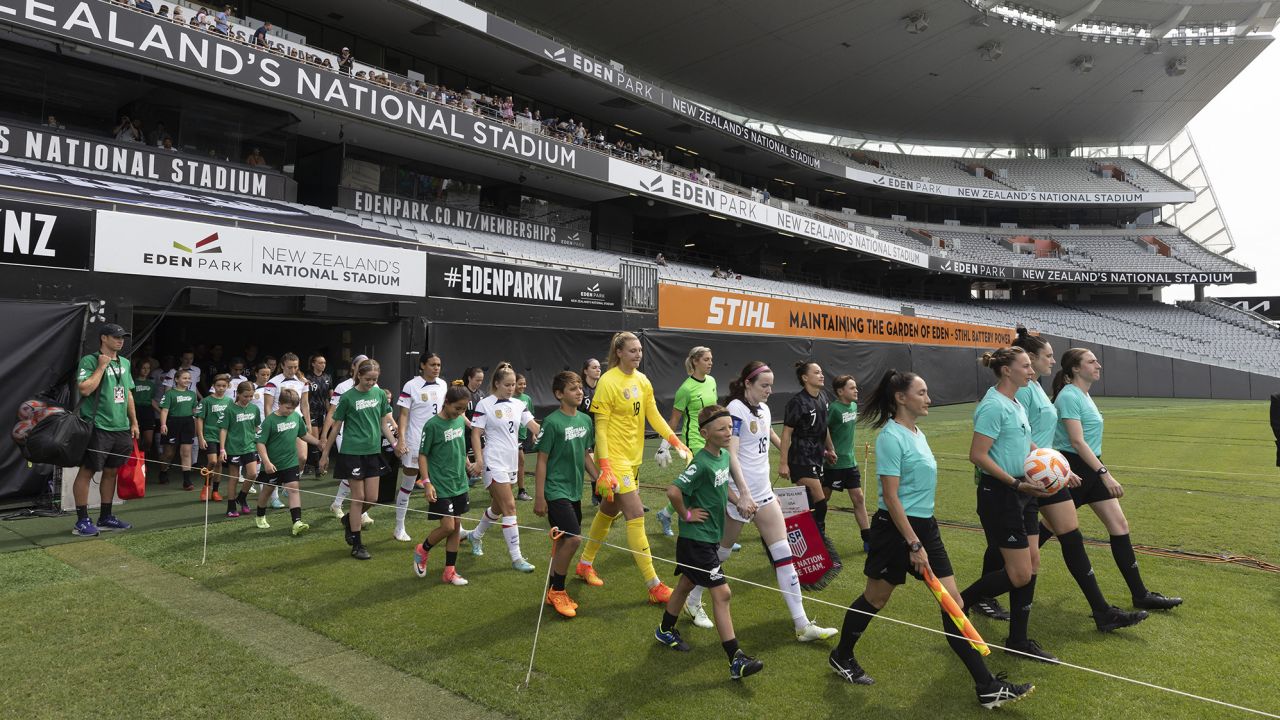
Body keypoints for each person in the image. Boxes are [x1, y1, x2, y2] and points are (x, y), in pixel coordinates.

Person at [829, 370, 1034, 709]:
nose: (928, 398)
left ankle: (986, 686)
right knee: (876, 598)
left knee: (953, 604)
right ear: (901, 397)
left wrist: (922, 538)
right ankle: (842, 655)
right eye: (921, 392)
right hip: (896, 532)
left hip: (926, 527)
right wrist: (913, 544)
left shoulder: (917, 432)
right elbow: (891, 498)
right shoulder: (890, 437)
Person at [973, 332, 1150, 633]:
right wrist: (1048, 467)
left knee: (1054, 539)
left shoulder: (1034, 388)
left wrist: (1059, 468)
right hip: (1027, 475)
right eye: (1047, 357)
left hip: (1043, 472)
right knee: (1035, 544)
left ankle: (1101, 612)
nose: (1052, 361)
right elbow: (1012, 437)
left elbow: (1029, 435)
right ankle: (977, 598)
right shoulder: (1022, 391)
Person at [686, 361, 839, 640]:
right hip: (740, 494)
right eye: (764, 385)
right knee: (721, 553)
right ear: (747, 384)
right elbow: (732, 455)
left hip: (765, 493)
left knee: (785, 555)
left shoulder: (765, 409)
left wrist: (789, 456)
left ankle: (802, 625)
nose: (770, 390)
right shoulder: (735, 410)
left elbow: (767, 434)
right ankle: (692, 598)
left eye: (771, 385)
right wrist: (743, 494)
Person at [1050, 348, 1182, 611]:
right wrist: (1104, 473)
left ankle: (1140, 594)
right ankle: (1000, 574)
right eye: (1091, 361)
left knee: (1119, 524)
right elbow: (1077, 442)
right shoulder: (1069, 396)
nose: (1098, 365)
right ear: (1075, 369)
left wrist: (1099, 472)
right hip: (1075, 470)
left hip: (1090, 468)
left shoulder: (1084, 395)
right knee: (1045, 530)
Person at [575, 332, 690, 604]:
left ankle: (584, 564)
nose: (638, 354)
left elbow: (654, 416)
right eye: (632, 351)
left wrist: (675, 442)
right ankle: (654, 585)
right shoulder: (607, 381)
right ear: (619, 353)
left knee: (609, 509)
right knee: (636, 513)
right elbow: (600, 428)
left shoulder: (642, 380)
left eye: (640, 350)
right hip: (615, 460)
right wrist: (605, 467)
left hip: (633, 459)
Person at [957, 348, 1056, 663]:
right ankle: (960, 603)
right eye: (1025, 365)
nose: (1031, 371)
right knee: (1019, 573)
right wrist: (1015, 484)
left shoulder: (1016, 402)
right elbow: (978, 455)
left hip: (1023, 493)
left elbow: (1026, 443)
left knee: (1032, 565)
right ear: (1006, 371)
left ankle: (1018, 640)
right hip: (1001, 493)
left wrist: (1057, 467)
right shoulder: (993, 406)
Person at [654, 405, 764, 681]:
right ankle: (736, 659)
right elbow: (674, 490)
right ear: (705, 433)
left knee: (687, 583)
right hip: (697, 541)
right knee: (723, 594)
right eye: (722, 429)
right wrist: (686, 514)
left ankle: (665, 630)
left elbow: (720, 485)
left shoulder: (724, 456)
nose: (728, 432)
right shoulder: (701, 462)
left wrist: (738, 500)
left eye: (730, 427)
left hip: (709, 537)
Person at [533, 371, 598, 617]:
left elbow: (584, 455)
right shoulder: (551, 423)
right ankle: (558, 591)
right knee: (573, 539)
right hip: (555, 490)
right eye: (573, 389)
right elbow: (541, 461)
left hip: (573, 491)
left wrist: (598, 478)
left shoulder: (585, 421)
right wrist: (540, 497)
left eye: (580, 388)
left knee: (562, 541)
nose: (579, 392)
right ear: (559, 394)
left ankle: (553, 590)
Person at [466, 363, 540, 572]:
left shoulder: (518, 404)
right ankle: (517, 558)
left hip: (511, 461)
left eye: (513, 385)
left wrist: (546, 434)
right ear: (497, 383)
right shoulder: (484, 404)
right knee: (510, 507)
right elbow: (475, 433)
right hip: (494, 461)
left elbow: (533, 426)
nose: (511, 388)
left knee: (498, 508)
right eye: (507, 384)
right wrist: (479, 460)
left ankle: (475, 535)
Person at [321, 359, 396, 560]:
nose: (371, 383)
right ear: (359, 376)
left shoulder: (380, 394)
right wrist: (325, 454)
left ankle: (348, 520)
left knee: (372, 498)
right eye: (368, 379)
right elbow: (336, 427)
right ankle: (357, 544)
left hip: (373, 452)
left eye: (375, 379)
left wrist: (396, 444)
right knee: (358, 497)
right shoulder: (347, 397)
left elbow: (383, 423)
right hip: (352, 451)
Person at [70, 323, 139, 536]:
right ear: (104, 338)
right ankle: (81, 521)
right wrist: (101, 366)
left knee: (111, 471)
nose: (121, 340)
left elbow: (127, 393)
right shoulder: (90, 360)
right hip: (98, 426)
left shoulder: (125, 362)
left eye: (123, 337)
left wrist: (134, 422)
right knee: (87, 471)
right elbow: (84, 389)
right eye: (116, 337)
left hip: (121, 427)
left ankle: (106, 517)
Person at [413, 386, 481, 586]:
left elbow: (460, 447)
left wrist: (468, 464)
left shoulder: (460, 420)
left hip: (459, 483)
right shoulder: (432, 425)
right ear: (446, 403)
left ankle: (450, 572)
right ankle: (422, 550)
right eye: (457, 408)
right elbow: (423, 455)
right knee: (448, 526)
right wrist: (427, 483)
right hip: (440, 484)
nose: (460, 413)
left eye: (463, 410)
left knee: (456, 527)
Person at [779, 361, 840, 578]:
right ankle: (819, 544)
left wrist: (830, 449)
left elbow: (824, 428)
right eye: (816, 372)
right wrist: (783, 462)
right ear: (805, 378)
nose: (822, 375)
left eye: (822, 372)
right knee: (820, 500)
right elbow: (786, 434)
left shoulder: (823, 398)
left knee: (810, 504)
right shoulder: (797, 402)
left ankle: (795, 544)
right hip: (800, 458)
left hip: (817, 457)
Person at [656, 346, 717, 537]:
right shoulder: (685, 389)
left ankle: (666, 513)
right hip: (693, 442)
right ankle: (706, 529)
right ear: (695, 362)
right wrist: (664, 446)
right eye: (706, 359)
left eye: (711, 359)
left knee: (695, 484)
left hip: (711, 439)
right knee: (705, 482)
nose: (710, 363)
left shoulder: (712, 381)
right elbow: (673, 421)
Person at [394, 353, 448, 541]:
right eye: (433, 364)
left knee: (443, 483)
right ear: (422, 365)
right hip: (416, 441)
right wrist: (401, 439)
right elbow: (404, 415)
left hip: (438, 442)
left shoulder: (443, 384)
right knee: (408, 484)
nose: (436, 368)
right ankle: (399, 527)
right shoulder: (411, 385)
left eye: (439, 364)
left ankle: (453, 525)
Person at [254, 389, 320, 535]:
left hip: (291, 462)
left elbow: (303, 435)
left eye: (293, 408)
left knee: (293, 489)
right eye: (287, 407)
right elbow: (260, 443)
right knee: (267, 491)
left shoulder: (296, 417)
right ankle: (260, 515)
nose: (290, 411)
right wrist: (266, 462)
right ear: (280, 403)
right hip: (273, 465)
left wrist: (318, 442)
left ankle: (297, 522)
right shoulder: (270, 421)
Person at [826, 374, 871, 552]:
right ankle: (810, 534)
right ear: (840, 391)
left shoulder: (853, 405)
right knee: (822, 501)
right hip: (832, 465)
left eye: (855, 387)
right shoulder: (833, 409)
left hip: (850, 463)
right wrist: (829, 450)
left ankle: (868, 540)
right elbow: (822, 429)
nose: (856, 390)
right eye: (852, 388)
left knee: (858, 498)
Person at [325, 354, 372, 521]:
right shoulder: (342, 387)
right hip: (344, 433)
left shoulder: (372, 385)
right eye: (360, 365)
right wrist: (324, 436)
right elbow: (332, 412)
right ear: (354, 367)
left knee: (362, 474)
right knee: (352, 473)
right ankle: (342, 506)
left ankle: (343, 506)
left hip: (365, 437)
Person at [219, 381, 261, 518]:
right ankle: (231, 507)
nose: (248, 399)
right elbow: (224, 430)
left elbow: (256, 428)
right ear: (238, 394)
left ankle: (242, 497)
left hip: (250, 446)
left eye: (251, 396)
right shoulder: (230, 409)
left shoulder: (254, 409)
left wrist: (262, 440)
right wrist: (222, 449)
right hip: (233, 449)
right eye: (245, 396)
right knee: (234, 478)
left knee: (253, 474)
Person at [195, 374, 234, 503]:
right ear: (213, 386)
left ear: (227, 387)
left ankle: (215, 491)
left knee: (219, 463)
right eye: (218, 386)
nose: (221, 388)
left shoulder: (229, 401)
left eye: (224, 386)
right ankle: (206, 487)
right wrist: (200, 437)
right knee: (212, 461)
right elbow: (199, 419)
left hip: (224, 437)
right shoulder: (206, 401)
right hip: (210, 435)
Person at [159, 368, 199, 490]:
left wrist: (197, 426)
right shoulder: (170, 393)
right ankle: (163, 471)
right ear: (176, 379)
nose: (187, 380)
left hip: (187, 423)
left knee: (186, 452)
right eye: (184, 378)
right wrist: (163, 424)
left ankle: (187, 481)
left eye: (189, 378)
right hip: (173, 423)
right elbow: (164, 410)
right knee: (169, 453)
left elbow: (195, 411)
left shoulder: (192, 394)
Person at [131, 358, 159, 478]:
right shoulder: (132, 382)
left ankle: (144, 458)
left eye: (148, 368)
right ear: (138, 369)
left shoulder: (151, 384)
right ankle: (138, 461)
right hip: (135, 410)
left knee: (148, 440)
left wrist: (160, 411)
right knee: (136, 439)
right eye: (143, 368)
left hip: (148, 411)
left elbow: (152, 400)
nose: (146, 370)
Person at [304, 354, 331, 477]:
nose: (323, 365)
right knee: (315, 439)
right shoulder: (307, 377)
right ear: (313, 364)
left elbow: (328, 397)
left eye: (324, 363)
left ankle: (311, 463)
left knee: (319, 439)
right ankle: (317, 468)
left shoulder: (327, 377)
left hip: (322, 412)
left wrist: (330, 412)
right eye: (320, 362)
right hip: (311, 411)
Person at [580, 357, 602, 505]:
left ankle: (597, 494)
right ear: (586, 371)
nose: (598, 369)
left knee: (602, 464)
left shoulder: (602, 387)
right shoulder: (580, 390)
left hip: (600, 431)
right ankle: (598, 496)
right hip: (584, 432)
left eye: (599, 367)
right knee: (592, 465)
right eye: (594, 367)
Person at [460, 366, 487, 486]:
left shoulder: (482, 394)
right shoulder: (462, 392)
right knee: (462, 453)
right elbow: (460, 413)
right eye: (477, 380)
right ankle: (470, 472)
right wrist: (471, 425)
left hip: (478, 431)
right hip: (465, 430)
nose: (479, 383)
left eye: (481, 380)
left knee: (483, 453)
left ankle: (477, 473)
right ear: (469, 378)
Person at [514, 373, 535, 502]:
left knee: (520, 461)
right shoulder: (509, 398)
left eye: (524, 383)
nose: (523, 386)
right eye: (520, 383)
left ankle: (521, 491)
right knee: (520, 460)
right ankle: (519, 490)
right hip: (511, 436)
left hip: (522, 436)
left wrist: (533, 434)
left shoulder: (527, 398)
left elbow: (531, 417)